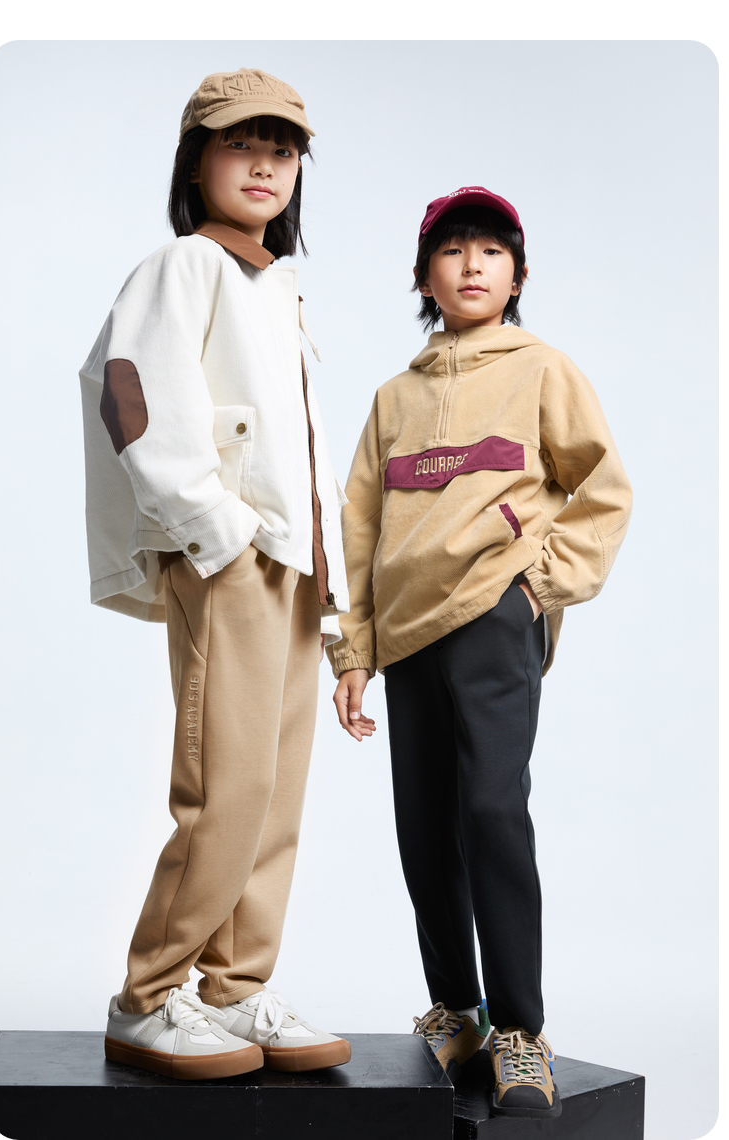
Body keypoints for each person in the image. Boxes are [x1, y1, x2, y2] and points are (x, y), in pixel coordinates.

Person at [329, 187, 632, 1118]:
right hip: (407, 631)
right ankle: (456, 1012)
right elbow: (360, 526)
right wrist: (354, 651)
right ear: (424, 277)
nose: (471, 265)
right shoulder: (395, 397)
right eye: (453, 250)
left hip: (495, 613)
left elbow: (604, 488)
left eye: (491, 251)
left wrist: (539, 582)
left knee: (493, 809)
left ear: (518, 275)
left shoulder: (543, 370)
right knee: (425, 826)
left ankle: (521, 1033)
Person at [79, 68, 351, 1080]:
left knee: (274, 797)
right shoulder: (183, 266)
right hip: (235, 559)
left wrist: (333, 599)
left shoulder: (276, 287)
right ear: (197, 161)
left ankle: (235, 989)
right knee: (226, 789)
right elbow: (130, 397)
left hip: (292, 570)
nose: (266, 166)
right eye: (243, 145)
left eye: (283, 151)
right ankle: (147, 997)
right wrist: (217, 534)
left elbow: (304, 455)